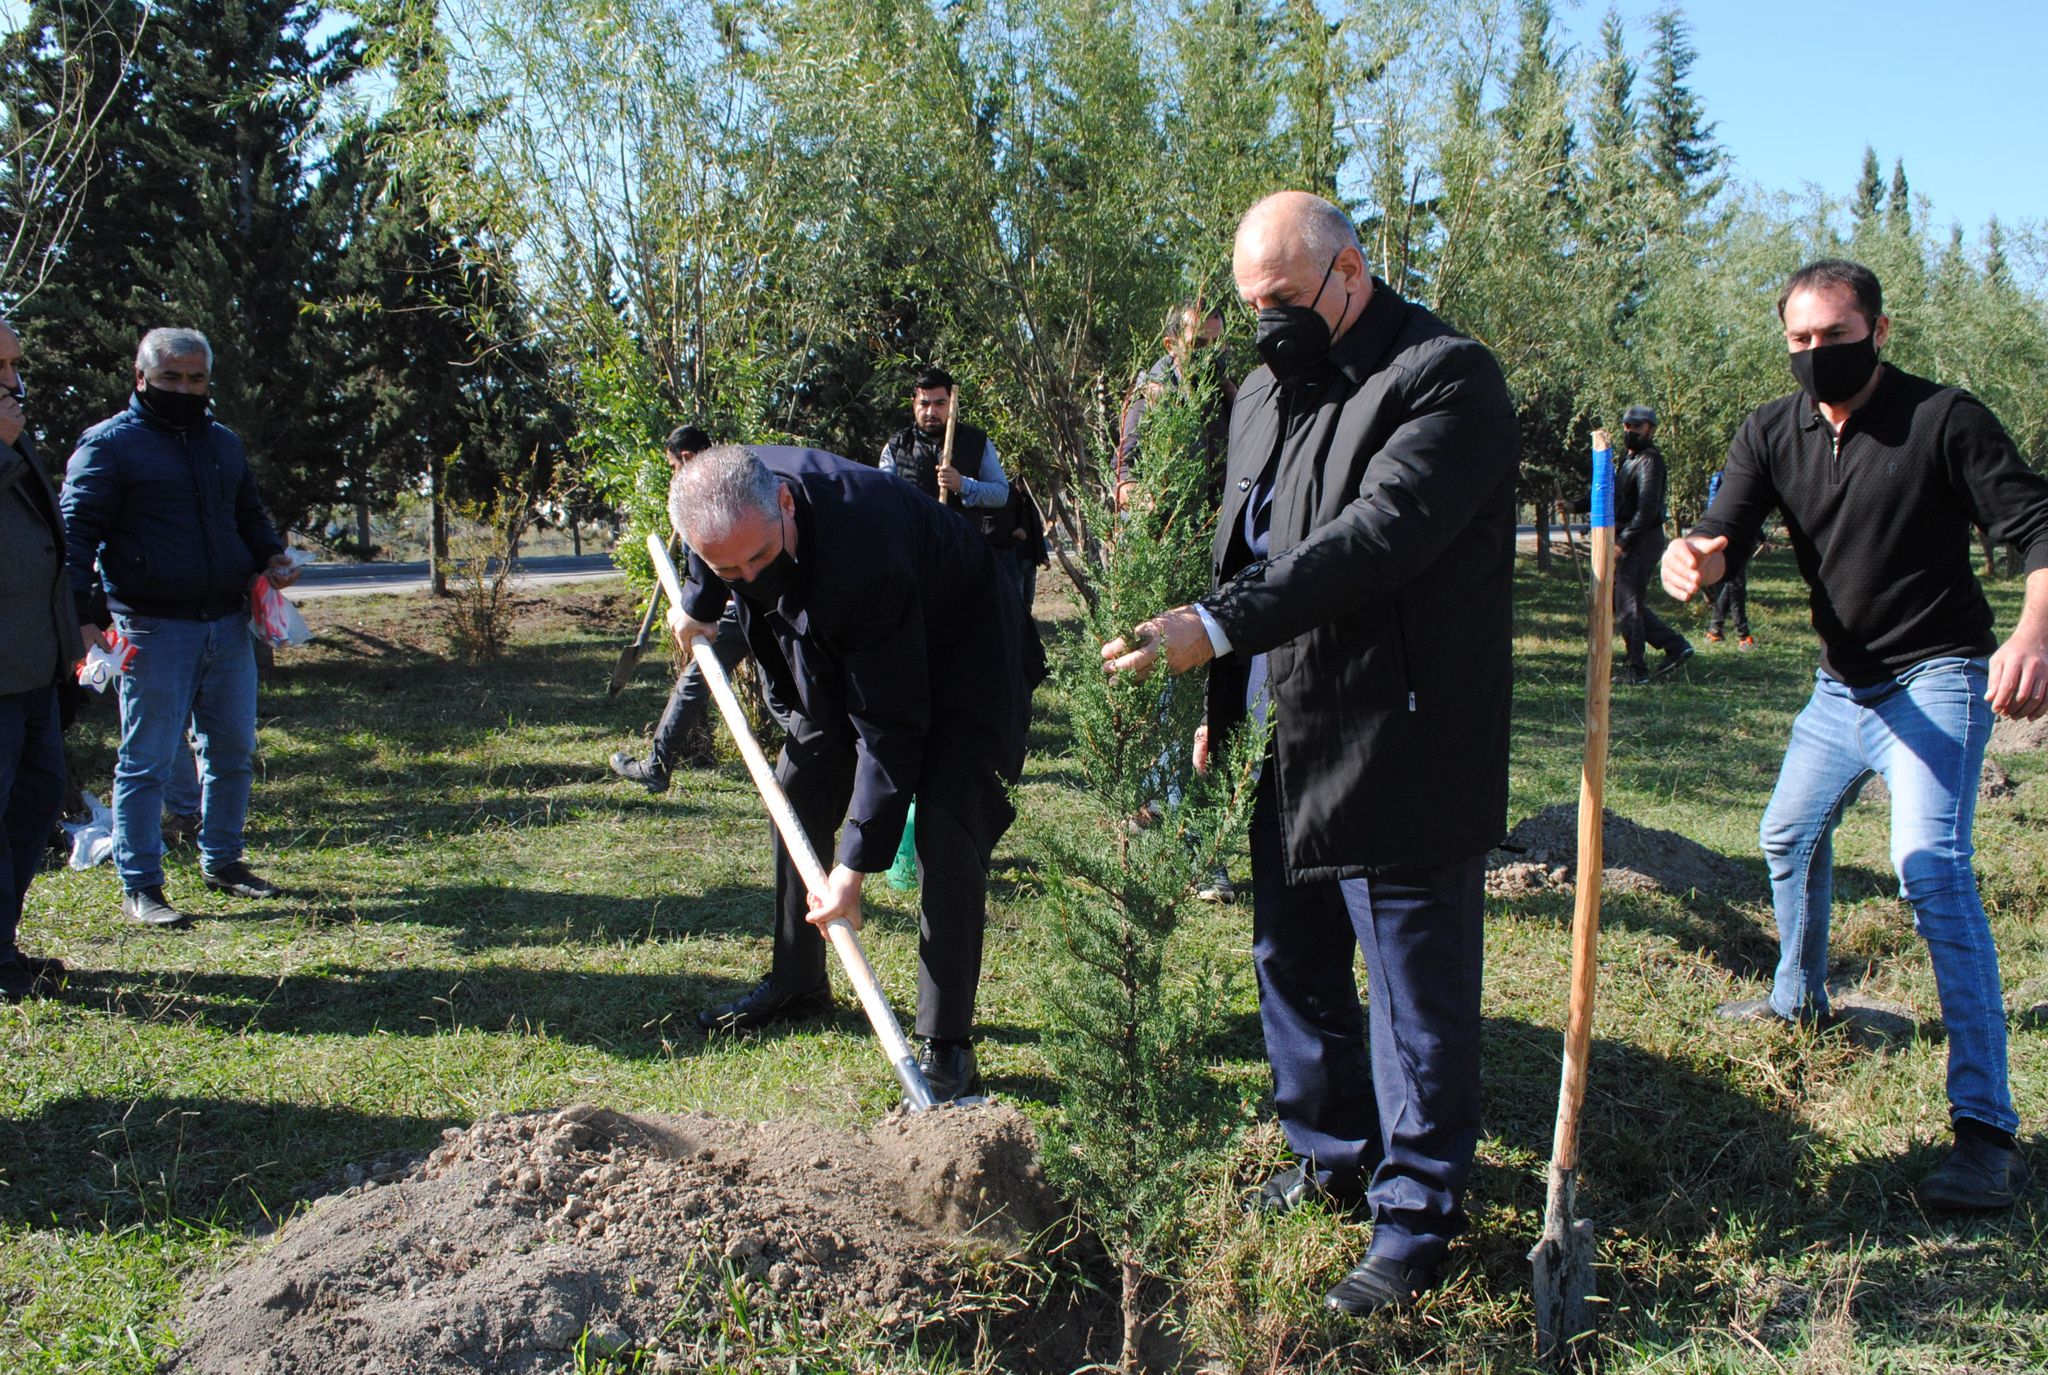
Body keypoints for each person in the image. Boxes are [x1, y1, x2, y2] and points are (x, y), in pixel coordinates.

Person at [1102, 191, 1519, 1315]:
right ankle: (1331, 1152)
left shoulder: (1444, 377)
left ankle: (1417, 1213)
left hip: (1399, 729)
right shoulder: (1256, 391)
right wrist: (1221, 694)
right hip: (1274, 731)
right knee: (1287, 957)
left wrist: (1218, 627)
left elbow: (1373, 540)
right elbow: (1243, 540)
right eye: (1250, 306)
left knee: (1410, 989)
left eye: (1283, 299)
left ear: (1349, 270)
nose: (1264, 323)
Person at [1662, 258, 2048, 1212]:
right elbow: (1725, 533)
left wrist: (2034, 633)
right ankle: (1799, 995)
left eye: (1832, 337)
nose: (1814, 355)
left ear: (1877, 331)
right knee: (1787, 832)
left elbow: (2041, 530)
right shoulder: (1772, 428)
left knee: (1930, 865)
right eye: (1798, 340)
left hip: (1941, 673)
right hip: (1841, 688)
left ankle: (1986, 1131)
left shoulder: (1944, 419)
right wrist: (1695, 559)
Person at [669, 445, 1041, 1102]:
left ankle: (946, 1048)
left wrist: (852, 866)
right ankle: (798, 980)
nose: (750, 578)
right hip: (847, 637)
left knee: (949, 829)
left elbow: (891, 728)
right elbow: (717, 555)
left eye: (758, 558)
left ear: (784, 502)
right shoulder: (725, 502)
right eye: (730, 568)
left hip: (966, 645)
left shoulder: (859, 550)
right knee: (801, 782)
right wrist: (700, 601)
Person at [60, 327, 299, 928]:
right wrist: (84, 619)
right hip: (150, 629)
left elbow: (248, 513)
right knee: (146, 760)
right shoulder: (108, 446)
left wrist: (271, 554)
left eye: (196, 378)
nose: (185, 388)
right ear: (141, 378)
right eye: (171, 377)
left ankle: (223, 860)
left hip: (227, 624)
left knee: (232, 752)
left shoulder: (223, 443)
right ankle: (141, 883)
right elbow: (73, 540)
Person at [0, 317, 82, 1000]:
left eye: (15, 365)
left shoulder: (13, 433)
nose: (13, 381)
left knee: (31, 807)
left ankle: (3, 945)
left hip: (31, 671)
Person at [610, 426, 749, 792]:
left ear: (686, 458)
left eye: (673, 466)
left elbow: (705, 571)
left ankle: (656, 766)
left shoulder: (702, 492)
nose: (674, 475)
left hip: (735, 608)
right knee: (782, 686)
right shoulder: (735, 476)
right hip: (761, 602)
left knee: (693, 681)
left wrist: (695, 610)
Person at [1564, 405, 1692, 684]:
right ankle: (1675, 645)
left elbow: (1646, 510)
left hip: (1643, 538)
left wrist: (1623, 542)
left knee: (1627, 601)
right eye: (1627, 426)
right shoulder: (1628, 460)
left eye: (1637, 426)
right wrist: (1573, 505)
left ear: (1651, 429)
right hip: (1631, 536)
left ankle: (1637, 670)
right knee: (1621, 600)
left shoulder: (1650, 461)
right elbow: (1608, 493)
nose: (1630, 431)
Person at [1113, 302, 1236, 513]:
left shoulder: (1229, 392)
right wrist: (1143, 502)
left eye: (1217, 343)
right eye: (1198, 343)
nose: (1209, 353)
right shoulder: (1151, 399)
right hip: (1178, 534)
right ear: (1171, 346)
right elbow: (1123, 471)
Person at [878, 367, 1010, 518]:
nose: (931, 412)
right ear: (914, 404)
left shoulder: (977, 441)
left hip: (961, 539)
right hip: (913, 539)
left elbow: (1001, 494)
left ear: (952, 403)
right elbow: (883, 495)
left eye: (940, 404)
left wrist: (962, 484)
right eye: (924, 404)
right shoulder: (897, 445)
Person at [1702, 467, 1753, 649]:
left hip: (1732, 536)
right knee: (1736, 587)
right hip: (1729, 539)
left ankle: (1716, 630)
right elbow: (1738, 513)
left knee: (1732, 586)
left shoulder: (1727, 477)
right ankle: (1743, 636)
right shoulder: (1732, 479)